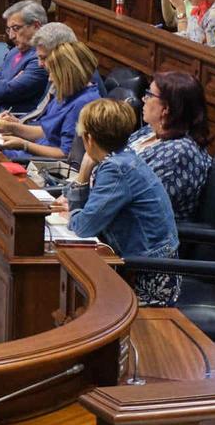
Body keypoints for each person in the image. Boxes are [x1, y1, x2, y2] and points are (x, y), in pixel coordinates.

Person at [65, 98, 181, 306]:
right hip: (141, 268)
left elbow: (83, 227)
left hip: (147, 282)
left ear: (89, 139)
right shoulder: (123, 157)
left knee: (73, 297)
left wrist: (82, 175)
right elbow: (88, 215)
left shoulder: (116, 169)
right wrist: (75, 210)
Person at [0, 39, 102, 161]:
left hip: (36, 164)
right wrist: (10, 127)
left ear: (68, 74)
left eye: (53, 73)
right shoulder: (66, 92)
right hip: (28, 154)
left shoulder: (84, 104)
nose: (50, 79)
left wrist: (25, 145)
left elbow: (66, 154)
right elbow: (46, 132)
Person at [129, 71, 212, 218]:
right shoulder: (149, 131)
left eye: (149, 95)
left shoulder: (180, 153)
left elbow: (135, 200)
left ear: (166, 108)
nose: (143, 99)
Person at [0, 1, 49, 114]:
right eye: (9, 29)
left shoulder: (41, 60)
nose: (11, 36)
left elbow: (8, 92)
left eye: (16, 28)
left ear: (36, 26)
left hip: (16, 121)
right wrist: (6, 83)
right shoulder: (14, 51)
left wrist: (0, 85)